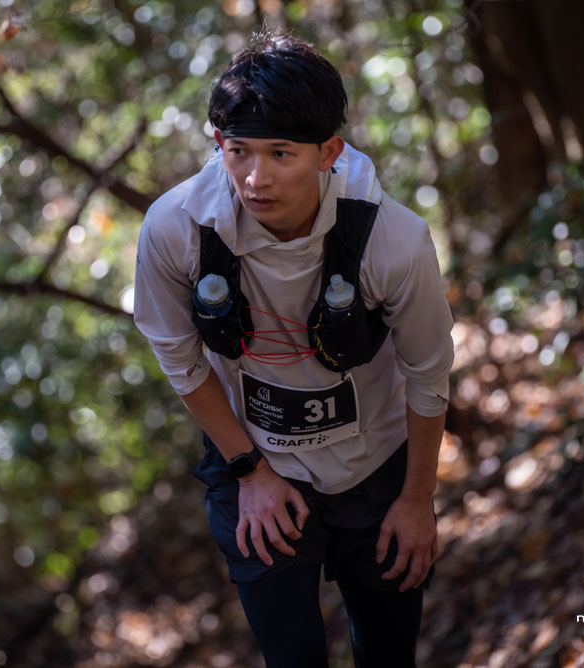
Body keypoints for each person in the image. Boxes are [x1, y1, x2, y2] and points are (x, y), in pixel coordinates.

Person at [133, 28, 454, 668]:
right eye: (239, 151)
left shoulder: (392, 239)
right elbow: (181, 360)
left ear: (329, 151)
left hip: (376, 465)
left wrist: (418, 498)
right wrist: (251, 473)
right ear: (218, 144)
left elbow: (428, 374)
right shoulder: (176, 229)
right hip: (252, 462)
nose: (257, 178)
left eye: (281, 153)